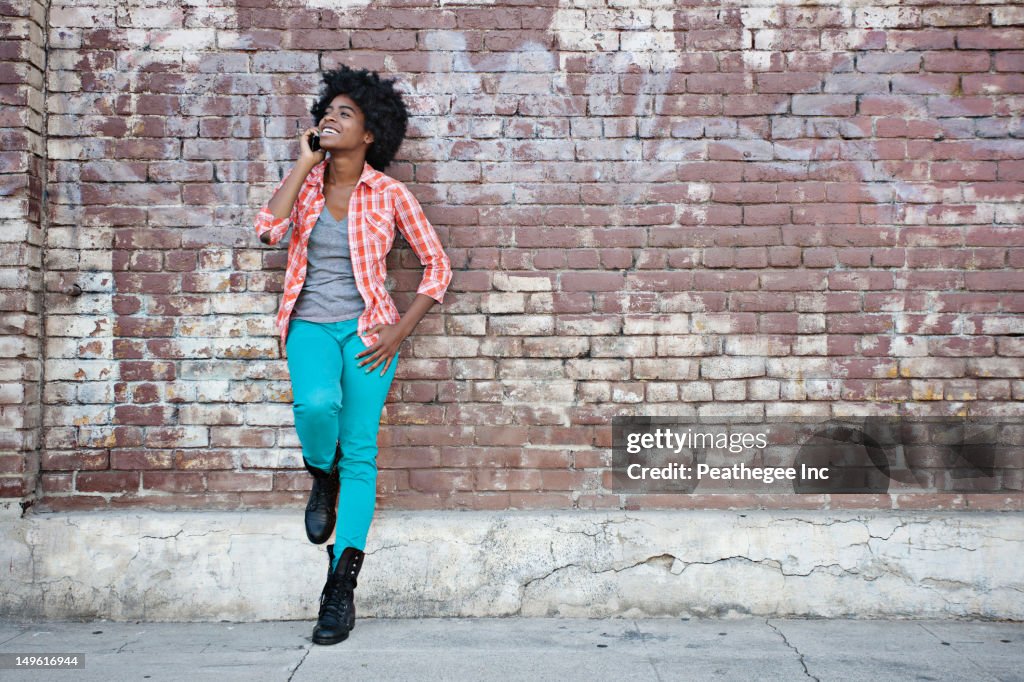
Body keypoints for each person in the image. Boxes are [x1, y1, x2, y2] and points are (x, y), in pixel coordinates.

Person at [252, 66, 452, 645]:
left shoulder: (389, 193)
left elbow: (437, 267)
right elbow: (268, 231)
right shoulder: (308, 186)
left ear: (370, 134)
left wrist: (399, 332)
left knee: (362, 452)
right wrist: (304, 163)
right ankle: (321, 474)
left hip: (368, 335)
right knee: (316, 408)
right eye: (328, 112)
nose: (331, 119)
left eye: (346, 114)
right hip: (310, 326)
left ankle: (339, 591)